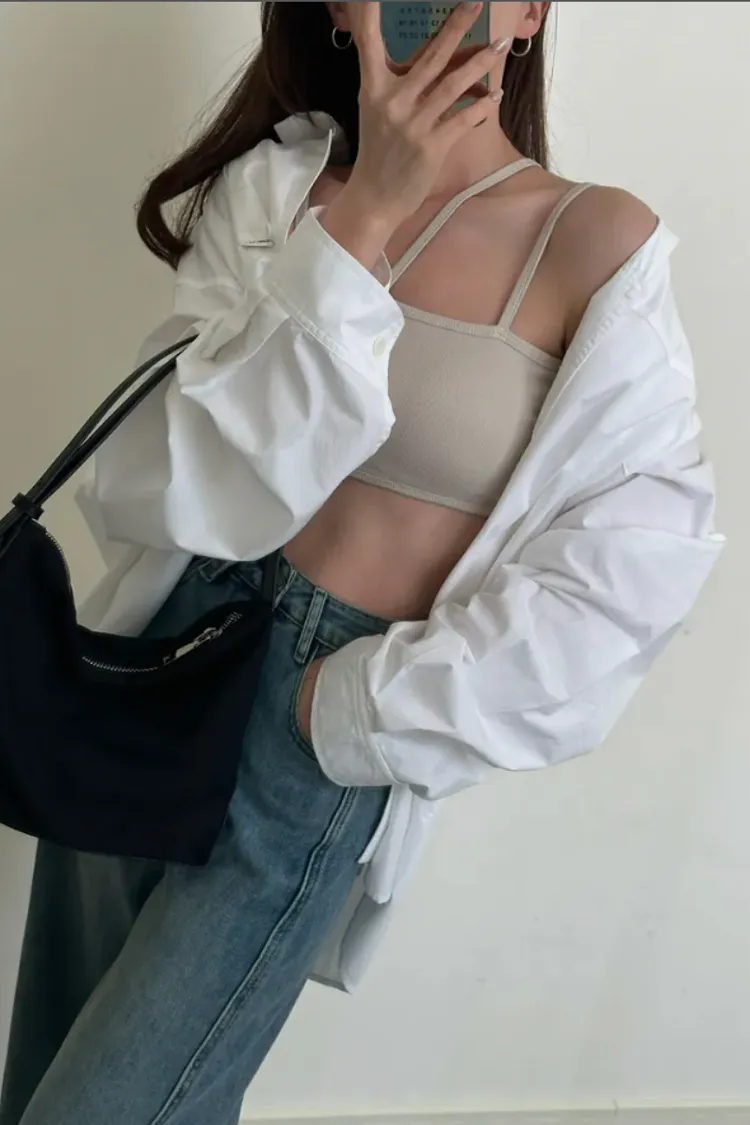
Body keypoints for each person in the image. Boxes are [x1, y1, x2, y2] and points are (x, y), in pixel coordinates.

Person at [0, 3, 723, 1124]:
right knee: (44, 1081)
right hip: (160, 665)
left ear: (533, 10)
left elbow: (630, 574)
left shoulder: (595, 243)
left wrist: (349, 709)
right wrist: (367, 211)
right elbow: (167, 474)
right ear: (339, 8)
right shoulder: (274, 193)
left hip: (323, 729)